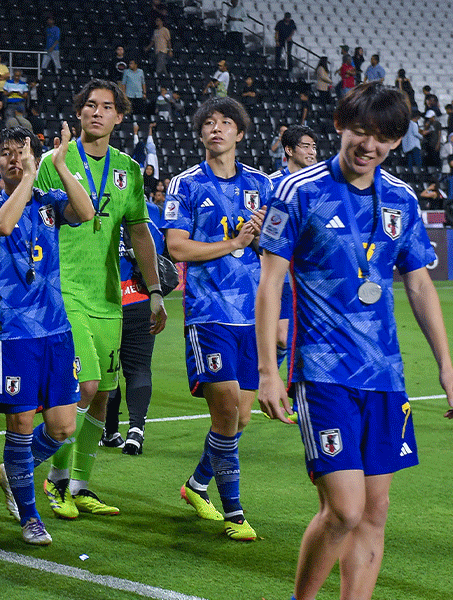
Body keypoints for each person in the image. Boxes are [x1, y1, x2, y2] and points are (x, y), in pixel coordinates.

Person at [256, 81, 453, 600]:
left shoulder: (401, 198)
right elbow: (270, 283)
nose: (370, 145)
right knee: (344, 509)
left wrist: (447, 366)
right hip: (323, 372)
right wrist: (268, 372)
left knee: (374, 511)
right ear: (340, 125)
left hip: (384, 374)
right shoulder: (297, 191)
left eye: (383, 137)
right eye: (361, 131)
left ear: (396, 141)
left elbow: (418, 285)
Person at [36, 79, 167, 520]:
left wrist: (153, 290)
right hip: (65, 292)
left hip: (109, 297)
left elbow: (139, 232)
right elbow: (40, 223)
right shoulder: (55, 161)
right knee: (85, 385)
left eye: (106, 107)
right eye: (90, 105)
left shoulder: (128, 168)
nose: (97, 112)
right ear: (79, 113)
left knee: (104, 394)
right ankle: (55, 480)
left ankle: (81, 484)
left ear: (119, 116)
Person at [0, 124, 94, 544]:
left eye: (21, 151)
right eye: (6, 153)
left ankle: (13, 472)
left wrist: (59, 166)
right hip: (14, 332)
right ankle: (30, 517)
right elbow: (3, 226)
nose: (14, 158)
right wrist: (28, 175)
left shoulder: (49, 201)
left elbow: (87, 213)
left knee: (62, 427)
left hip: (56, 328)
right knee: (22, 423)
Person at [162, 96, 271, 541]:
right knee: (226, 408)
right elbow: (176, 246)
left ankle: (196, 484)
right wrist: (234, 243)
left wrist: (263, 235)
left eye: (226, 122)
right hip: (209, 314)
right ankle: (235, 513)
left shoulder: (262, 184)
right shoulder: (185, 184)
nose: (216, 128)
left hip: (253, 316)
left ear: (239, 133)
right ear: (201, 133)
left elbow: (278, 247)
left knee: (239, 419)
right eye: (209, 122)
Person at [101, 195, 167, 455]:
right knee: (139, 369)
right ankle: (136, 431)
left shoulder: (96, 206)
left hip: (105, 301)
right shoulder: (150, 211)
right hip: (140, 298)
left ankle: (110, 431)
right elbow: (160, 249)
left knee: (107, 370)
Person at [268, 125, 317, 375]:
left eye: (314, 147)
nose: (312, 152)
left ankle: (294, 390)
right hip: (279, 273)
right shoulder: (270, 184)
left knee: (297, 337)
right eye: (305, 146)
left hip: (310, 275)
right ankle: (269, 378)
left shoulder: (320, 185)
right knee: (281, 336)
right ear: (288, 150)